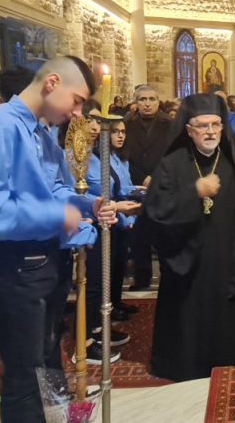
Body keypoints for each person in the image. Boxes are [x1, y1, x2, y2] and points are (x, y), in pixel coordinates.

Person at [0, 56, 118, 422]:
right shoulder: (0, 128)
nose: (77, 113)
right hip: (18, 269)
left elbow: (53, 188)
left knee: (48, 355)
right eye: (76, 100)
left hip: (46, 261)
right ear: (52, 83)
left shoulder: (40, 131)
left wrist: (87, 204)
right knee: (26, 375)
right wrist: (54, 216)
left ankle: (54, 418)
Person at [145, 93, 235, 381]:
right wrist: (194, 192)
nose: (210, 132)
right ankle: (184, 367)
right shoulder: (171, 163)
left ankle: (224, 363)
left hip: (225, 257)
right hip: (185, 258)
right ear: (189, 130)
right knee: (187, 314)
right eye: (202, 126)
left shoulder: (232, 162)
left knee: (224, 313)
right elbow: (155, 209)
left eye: (215, 125)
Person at [80, 111, 142, 364]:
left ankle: (99, 328)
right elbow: (78, 192)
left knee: (107, 276)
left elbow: (118, 186)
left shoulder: (110, 156)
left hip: (110, 221)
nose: (97, 127)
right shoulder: (79, 156)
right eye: (92, 121)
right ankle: (86, 341)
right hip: (91, 223)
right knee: (93, 282)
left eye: (100, 122)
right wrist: (115, 206)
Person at [124, 84, 173, 291]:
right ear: (136, 103)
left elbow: (173, 155)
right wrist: (142, 177)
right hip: (135, 184)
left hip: (163, 184)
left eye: (152, 99)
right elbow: (122, 156)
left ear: (158, 102)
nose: (147, 103)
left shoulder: (169, 124)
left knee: (165, 235)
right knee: (139, 236)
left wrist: (155, 176)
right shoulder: (126, 124)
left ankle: (169, 278)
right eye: (142, 99)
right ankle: (142, 278)